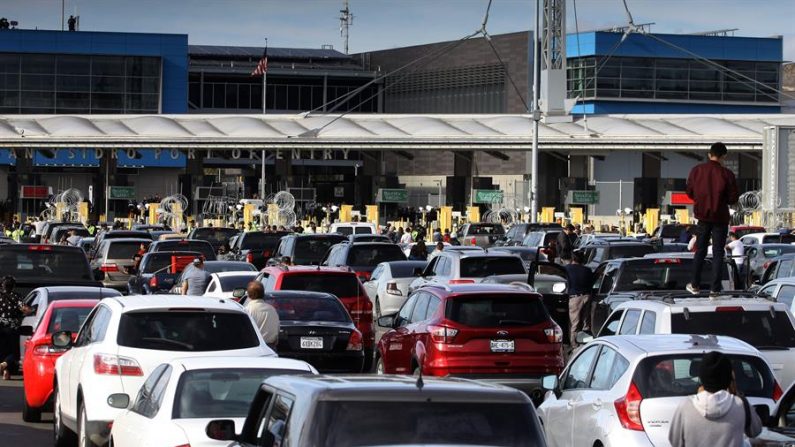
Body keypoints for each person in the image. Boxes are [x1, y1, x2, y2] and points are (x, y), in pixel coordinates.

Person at [668, 350, 761, 446]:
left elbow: (674, 441)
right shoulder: (741, 405)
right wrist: (736, 392)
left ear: (702, 377)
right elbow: (756, 431)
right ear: (729, 379)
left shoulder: (686, 406)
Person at [686, 142, 739, 296]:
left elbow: (689, 191)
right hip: (721, 218)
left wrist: (700, 199)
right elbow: (733, 197)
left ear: (709, 154)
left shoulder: (697, 171)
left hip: (703, 217)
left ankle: (695, 284)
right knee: (718, 253)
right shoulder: (727, 174)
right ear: (724, 156)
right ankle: (715, 289)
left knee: (700, 250)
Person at [564, 251, 593, 348]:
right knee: (586, 323)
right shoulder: (587, 270)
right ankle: (587, 344)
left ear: (573, 259)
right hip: (587, 297)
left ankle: (574, 346)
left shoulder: (567, 269)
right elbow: (591, 283)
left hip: (575, 298)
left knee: (575, 324)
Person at [244, 281, 280, 350]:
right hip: (271, 348)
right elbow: (277, 330)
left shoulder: (247, 310)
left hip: (253, 348)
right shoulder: (272, 309)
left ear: (248, 294)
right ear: (263, 293)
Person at [0, 276, 22, 380]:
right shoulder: (16, 296)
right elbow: (24, 309)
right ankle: (5, 365)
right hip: (12, 329)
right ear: (13, 286)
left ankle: (6, 371)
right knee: (14, 352)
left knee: (3, 350)